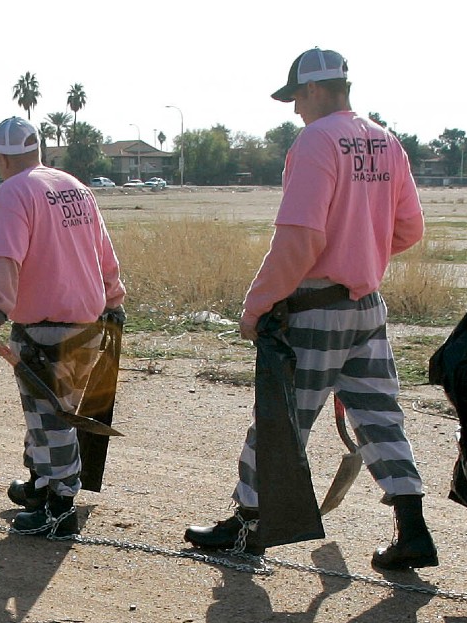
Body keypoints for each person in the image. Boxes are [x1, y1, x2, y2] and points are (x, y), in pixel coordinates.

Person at [183, 48, 436, 570]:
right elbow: (409, 229)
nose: (295, 108)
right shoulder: (386, 140)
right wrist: (362, 253)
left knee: (281, 420)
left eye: (297, 96)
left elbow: (299, 239)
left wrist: (258, 304)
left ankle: (249, 524)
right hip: (366, 307)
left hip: (316, 309)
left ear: (316, 90)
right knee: (380, 417)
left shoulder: (317, 140)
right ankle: (412, 527)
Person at [0, 116, 125, 539]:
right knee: (46, 413)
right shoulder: (75, 187)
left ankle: (60, 506)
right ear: (37, 151)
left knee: (52, 417)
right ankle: (39, 484)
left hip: (46, 330)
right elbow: (102, 250)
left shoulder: (14, 193)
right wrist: (115, 297)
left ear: (0, 158)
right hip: (88, 323)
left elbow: (3, 258)